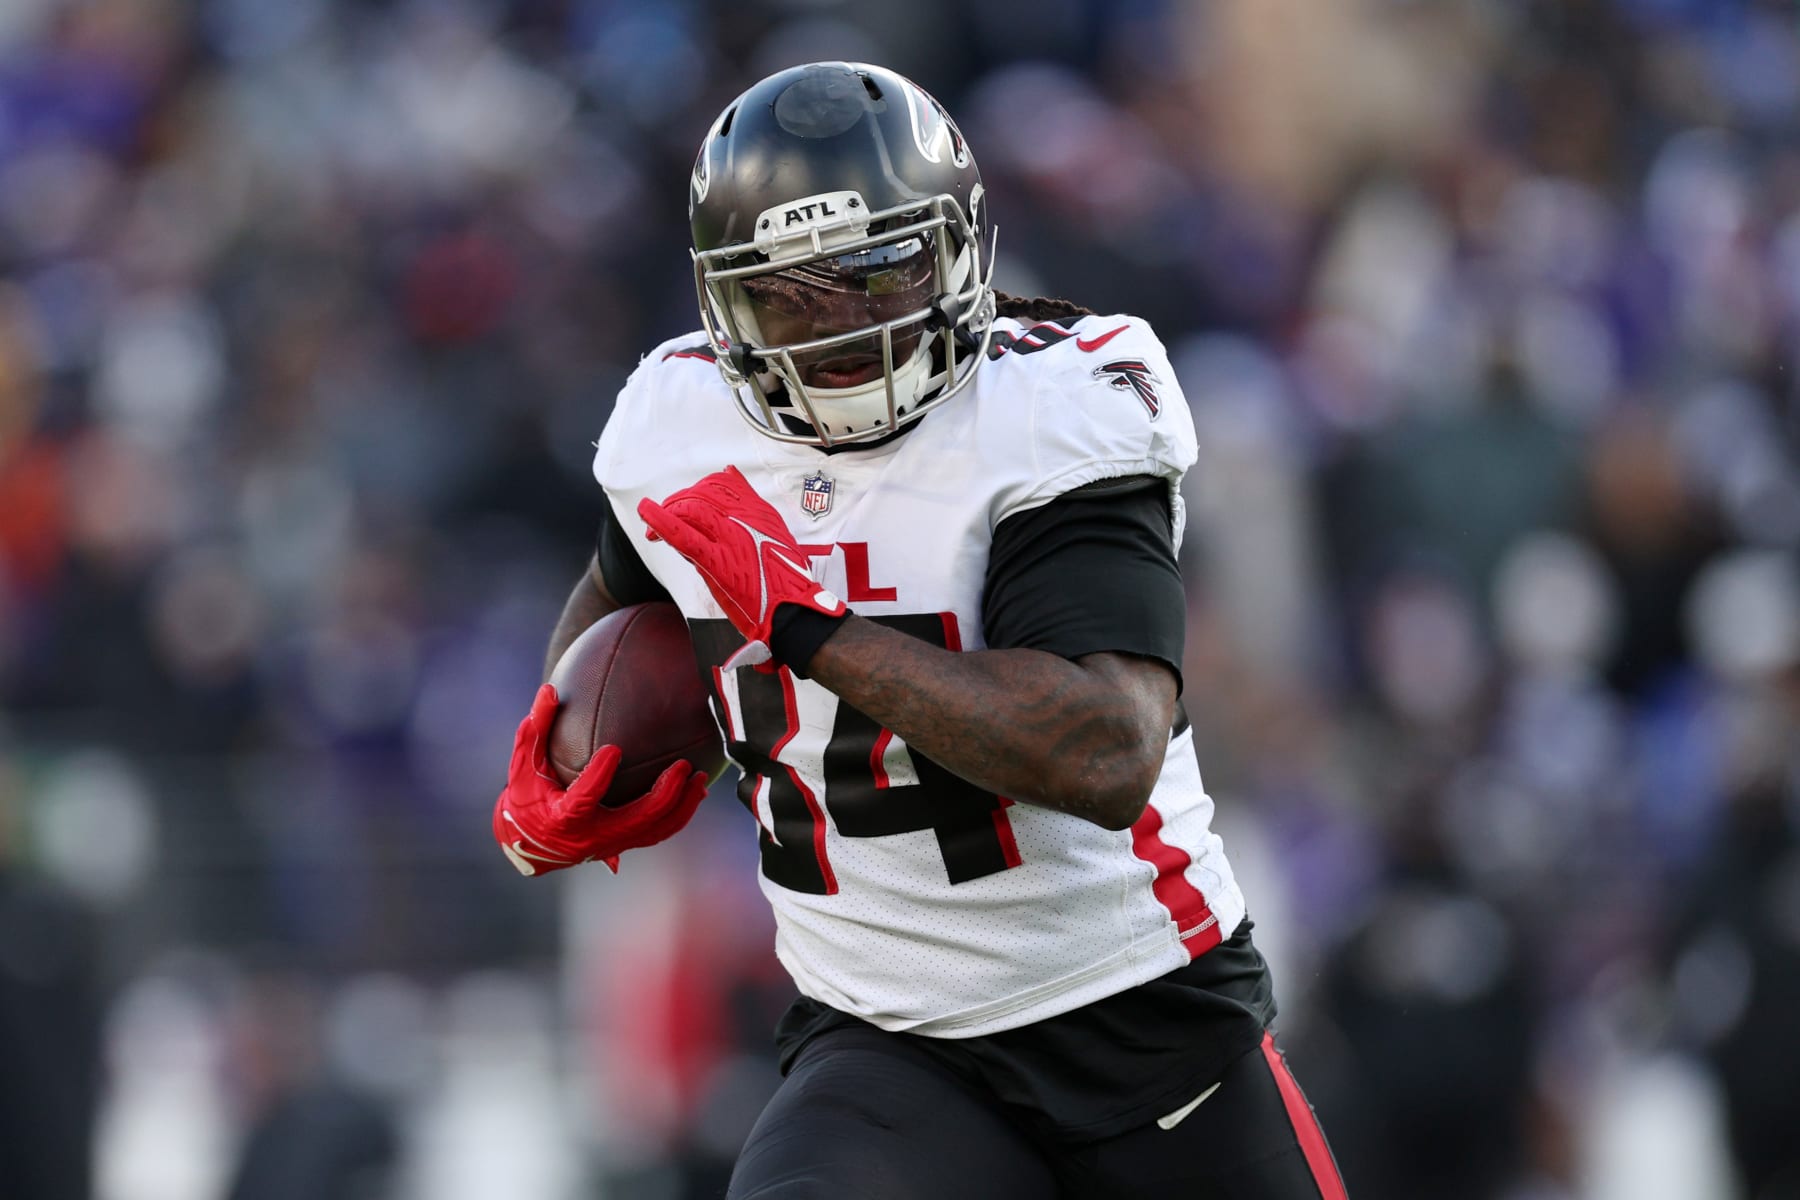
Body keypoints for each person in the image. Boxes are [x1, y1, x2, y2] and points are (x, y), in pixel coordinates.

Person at [494, 61, 1347, 1199]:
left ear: (961, 250)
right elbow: (615, 637)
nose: (837, 325)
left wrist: (805, 623)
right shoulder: (677, 423)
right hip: (886, 1037)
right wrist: (562, 755)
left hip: (1141, 1023)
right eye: (786, 292)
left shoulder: (1054, 409)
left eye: (875, 271)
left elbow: (1102, 751)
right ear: (720, 302)